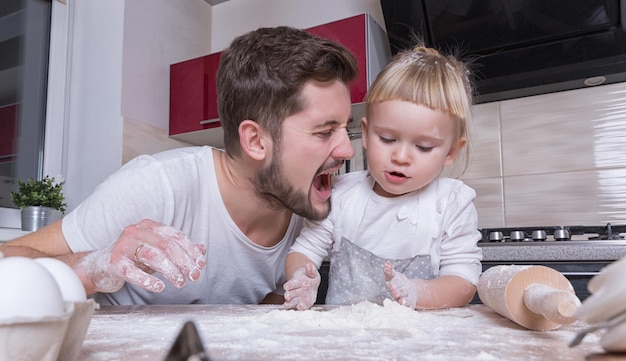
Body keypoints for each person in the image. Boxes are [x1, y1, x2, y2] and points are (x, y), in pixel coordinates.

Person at [0, 26, 358, 305]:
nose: (346, 150)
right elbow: (7, 259)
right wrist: (94, 266)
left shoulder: (305, 216)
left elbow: (264, 309)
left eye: (347, 129)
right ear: (255, 141)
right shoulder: (158, 186)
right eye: (326, 131)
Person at [282, 44, 482, 311]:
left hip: (421, 342)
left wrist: (418, 292)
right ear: (366, 134)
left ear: (451, 151)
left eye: (423, 147)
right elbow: (304, 249)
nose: (400, 156)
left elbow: (463, 281)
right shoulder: (342, 194)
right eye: (387, 139)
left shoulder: (451, 203)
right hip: (346, 338)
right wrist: (301, 278)